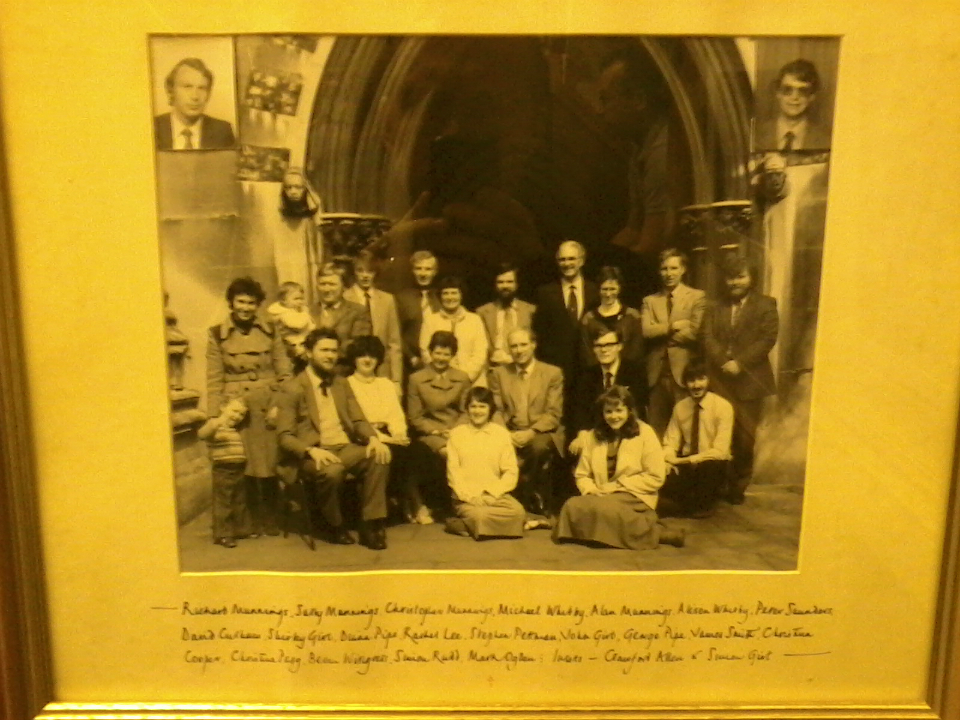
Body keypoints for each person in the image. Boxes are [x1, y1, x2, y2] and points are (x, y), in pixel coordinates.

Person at [275, 328, 392, 550]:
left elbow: (358, 420)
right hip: (314, 453)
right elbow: (284, 436)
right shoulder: (293, 388)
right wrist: (310, 450)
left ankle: (371, 524)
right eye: (324, 350)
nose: (330, 356)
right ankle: (333, 524)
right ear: (309, 352)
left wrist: (374, 439)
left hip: (345, 447)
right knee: (333, 471)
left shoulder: (340, 383)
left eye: (334, 351)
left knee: (379, 456)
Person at [206, 277, 292, 537]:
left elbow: (284, 373)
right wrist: (215, 419)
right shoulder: (216, 334)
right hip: (236, 408)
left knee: (269, 464)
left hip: (268, 405)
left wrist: (280, 405)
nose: (245, 307)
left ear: (258, 305)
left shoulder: (272, 330)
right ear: (231, 303)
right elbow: (213, 379)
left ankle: (272, 517)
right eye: (240, 301)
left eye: (250, 303)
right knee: (242, 466)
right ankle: (247, 520)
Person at [553, 386, 684, 549]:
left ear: (629, 410)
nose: (614, 416)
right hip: (601, 494)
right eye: (608, 412)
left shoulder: (645, 433)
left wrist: (617, 486)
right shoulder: (594, 436)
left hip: (635, 495)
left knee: (604, 509)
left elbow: (656, 477)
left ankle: (658, 534)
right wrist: (591, 489)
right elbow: (582, 474)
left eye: (619, 410)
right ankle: (613, 532)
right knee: (572, 505)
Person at [703, 256, 779, 504]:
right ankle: (716, 485)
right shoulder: (715, 306)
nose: (734, 282)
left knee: (745, 439)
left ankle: (737, 486)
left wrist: (740, 364)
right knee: (718, 433)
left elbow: (767, 339)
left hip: (749, 381)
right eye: (730, 277)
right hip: (720, 379)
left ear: (751, 278)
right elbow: (707, 337)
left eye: (741, 276)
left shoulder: (766, 305)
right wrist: (721, 362)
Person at [597, 46, 672, 258]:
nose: (600, 111)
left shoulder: (661, 153)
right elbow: (633, 230)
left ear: (638, 100)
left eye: (606, 99)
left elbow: (650, 247)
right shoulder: (640, 147)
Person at [488, 328, 563, 524]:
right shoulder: (499, 373)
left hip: (541, 431)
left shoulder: (552, 373)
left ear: (533, 345)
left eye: (523, 345)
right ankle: (509, 501)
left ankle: (530, 498)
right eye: (514, 346)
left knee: (537, 448)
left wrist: (531, 432)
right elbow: (496, 409)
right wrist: (505, 434)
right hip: (510, 430)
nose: (519, 350)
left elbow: (553, 414)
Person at [406, 331, 472, 524]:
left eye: (446, 354)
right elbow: (415, 417)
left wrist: (455, 431)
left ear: (453, 356)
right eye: (437, 353)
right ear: (430, 353)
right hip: (430, 433)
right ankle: (433, 503)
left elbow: (466, 411)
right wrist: (435, 431)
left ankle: (464, 501)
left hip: (457, 430)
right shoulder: (416, 379)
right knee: (447, 453)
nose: (441, 358)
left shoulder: (462, 378)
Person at [344, 335, 412, 521]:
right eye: (362, 356)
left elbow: (395, 415)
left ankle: (406, 503)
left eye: (372, 356)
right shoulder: (347, 385)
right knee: (385, 453)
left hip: (388, 433)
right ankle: (377, 510)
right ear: (354, 359)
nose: (367, 360)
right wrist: (384, 439)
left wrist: (399, 433)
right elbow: (355, 422)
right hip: (362, 437)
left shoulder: (385, 384)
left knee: (411, 450)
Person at [445, 386, 526, 540]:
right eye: (473, 406)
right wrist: (470, 497)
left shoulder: (501, 434)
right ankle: (467, 523)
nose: (477, 411)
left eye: (482, 406)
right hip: (467, 497)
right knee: (480, 515)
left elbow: (510, 471)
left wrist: (492, 494)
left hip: (495, 496)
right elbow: (453, 472)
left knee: (518, 512)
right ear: (467, 409)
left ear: (491, 409)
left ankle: (467, 527)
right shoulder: (457, 434)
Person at [641, 248, 706, 438]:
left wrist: (660, 330)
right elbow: (646, 331)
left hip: (684, 374)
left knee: (685, 429)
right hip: (656, 375)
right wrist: (674, 326)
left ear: (683, 269)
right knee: (656, 431)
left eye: (673, 268)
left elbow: (695, 333)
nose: (668, 274)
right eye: (664, 269)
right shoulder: (650, 301)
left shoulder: (697, 297)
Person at [533, 240, 599, 424]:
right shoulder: (545, 293)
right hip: (558, 367)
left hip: (589, 366)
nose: (567, 264)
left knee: (587, 416)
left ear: (582, 260)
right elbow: (540, 332)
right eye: (562, 259)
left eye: (571, 258)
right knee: (560, 417)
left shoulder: (595, 291)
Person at [660, 363, 734, 518]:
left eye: (701, 379)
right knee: (663, 481)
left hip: (712, 464)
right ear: (685, 383)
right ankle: (686, 502)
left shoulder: (722, 407)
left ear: (709, 381)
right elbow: (670, 442)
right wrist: (668, 460)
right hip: (686, 465)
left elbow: (720, 451)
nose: (696, 385)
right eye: (691, 380)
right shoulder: (680, 407)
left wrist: (686, 461)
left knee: (699, 502)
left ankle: (700, 501)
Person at [569, 327, 647, 454]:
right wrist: (582, 433)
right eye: (598, 346)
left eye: (609, 345)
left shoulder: (635, 372)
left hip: (626, 430)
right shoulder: (587, 375)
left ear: (619, 346)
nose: (603, 350)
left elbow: (638, 408)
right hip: (596, 433)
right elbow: (580, 409)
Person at [344, 250, 403, 393]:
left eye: (370, 271)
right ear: (354, 272)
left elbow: (394, 343)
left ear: (375, 273)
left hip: (382, 370)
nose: (365, 276)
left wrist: (396, 380)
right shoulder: (345, 297)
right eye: (360, 271)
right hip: (353, 370)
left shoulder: (387, 300)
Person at [197, 398, 251, 548]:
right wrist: (214, 423)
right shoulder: (215, 424)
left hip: (239, 468)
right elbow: (201, 434)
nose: (237, 416)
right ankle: (223, 534)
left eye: (241, 414)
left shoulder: (235, 429)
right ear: (222, 407)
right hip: (223, 469)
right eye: (234, 411)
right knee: (223, 501)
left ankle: (240, 529)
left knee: (239, 500)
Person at [418, 275, 489, 387]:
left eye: (454, 293)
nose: (450, 297)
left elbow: (480, 352)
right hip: (440, 382)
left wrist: (465, 377)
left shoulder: (474, 320)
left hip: (471, 381)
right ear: (440, 296)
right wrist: (445, 378)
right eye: (445, 293)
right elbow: (425, 351)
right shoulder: (431, 320)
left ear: (461, 295)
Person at [154, 58, 236, 151]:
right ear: (171, 91)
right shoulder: (153, 127)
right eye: (187, 87)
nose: (195, 96)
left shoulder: (222, 131)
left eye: (202, 88)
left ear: (208, 94)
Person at [754, 59, 831, 152]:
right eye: (787, 90)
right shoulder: (755, 136)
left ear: (812, 96)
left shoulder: (828, 140)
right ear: (778, 93)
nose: (794, 97)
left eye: (803, 91)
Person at [475, 262, 537, 368]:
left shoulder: (531, 311)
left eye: (509, 282)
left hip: (523, 368)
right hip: (494, 368)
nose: (505, 286)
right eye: (500, 282)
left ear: (516, 284)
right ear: (495, 285)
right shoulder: (482, 313)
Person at [579, 265, 643, 367]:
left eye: (612, 289)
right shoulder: (589, 319)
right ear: (598, 290)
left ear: (619, 289)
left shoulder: (632, 316)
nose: (608, 294)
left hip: (626, 373)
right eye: (604, 289)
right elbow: (587, 354)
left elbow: (636, 351)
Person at [311, 262, 372, 363]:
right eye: (322, 284)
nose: (327, 289)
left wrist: (319, 352)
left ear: (344, 287)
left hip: (343, 373)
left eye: (332, 284)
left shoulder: (358, 311)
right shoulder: (307, 311)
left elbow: (357, 346)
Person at [395, 249, 442, 375]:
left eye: (428, 269)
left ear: (435, 272)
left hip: (441, 362)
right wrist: (411, 358)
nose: (423, 273)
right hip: (412, 364)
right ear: (412, 270)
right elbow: (396, 333)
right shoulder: (402, 298)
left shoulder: (442, 297)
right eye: (419, 268)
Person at [267, 281, 315, 371]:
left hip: (302, 340)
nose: (300, 302)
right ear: (284, 301)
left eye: (301, 299)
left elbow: (310, 325)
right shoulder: (284, 313)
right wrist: (305, 314)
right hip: (292, 343)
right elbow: (298, 324)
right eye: (296, 299)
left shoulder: (297, 310)